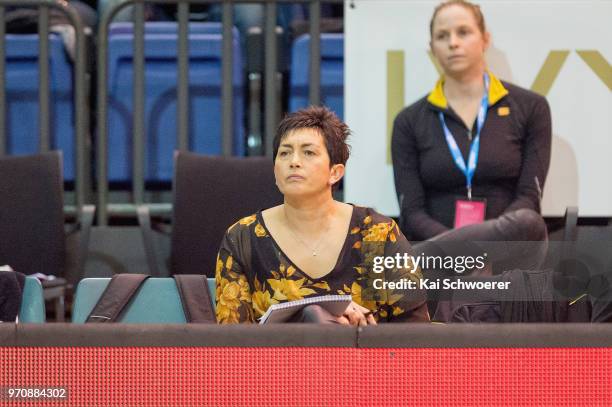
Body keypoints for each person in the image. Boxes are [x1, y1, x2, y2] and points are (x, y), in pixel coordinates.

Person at [216, 106, 429, 325]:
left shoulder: (378, 233)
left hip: (367, 358)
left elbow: (416, 332)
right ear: (275, 171)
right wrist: (318, 314)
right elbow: (230, 341)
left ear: (335, 172)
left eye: (308, 152)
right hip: (278, 359)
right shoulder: (242, 238)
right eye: (285, 153)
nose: (294, 161)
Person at [391, 0, 551, 274]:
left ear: (485, 39)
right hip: (438, 259)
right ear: (432, 49)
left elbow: (529, 197)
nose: (453, 42)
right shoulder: (409, 120)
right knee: (401, 248)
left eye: (463, 32)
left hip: (508, 255)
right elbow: (412, 213)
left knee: (529, 221)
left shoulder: (531, 107)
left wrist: (484, 251)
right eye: (442, 36)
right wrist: (464, 257)